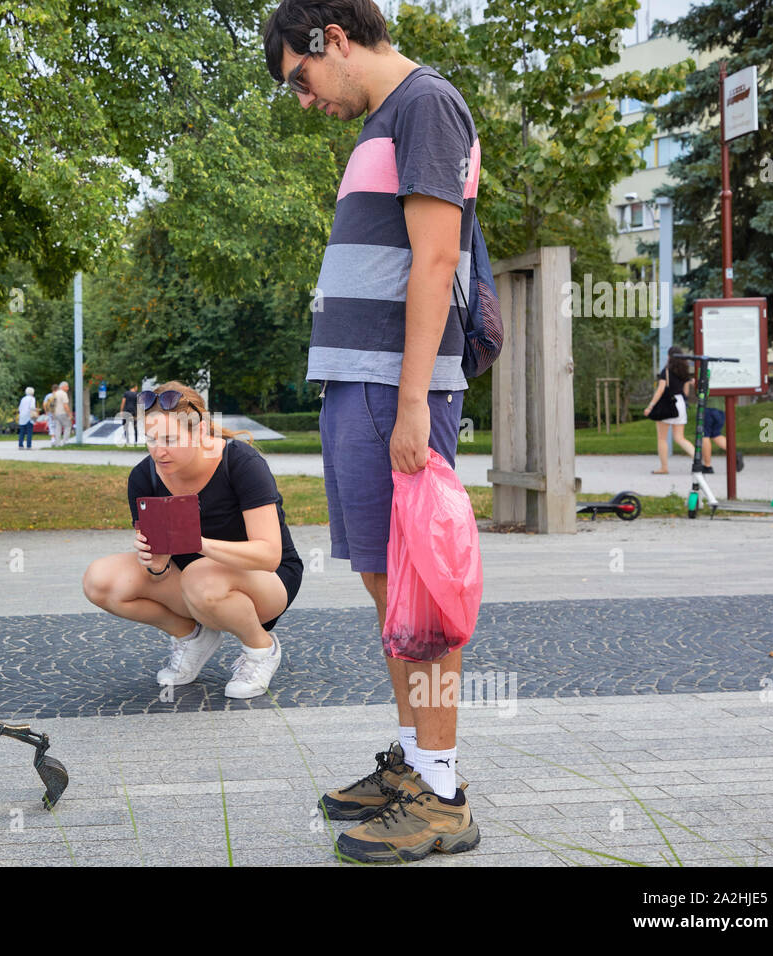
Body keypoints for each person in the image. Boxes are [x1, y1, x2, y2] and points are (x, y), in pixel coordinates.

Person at [264, 0, 482, 863]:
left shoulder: (427, 104)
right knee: (391, 594)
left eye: (302, 78)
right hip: (360, 386)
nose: (307, 98)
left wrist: (416, 399)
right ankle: (415, 766)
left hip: (396, 391)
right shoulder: (387, 121)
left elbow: (437, 258)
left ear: (336, 40)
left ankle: (443, 794)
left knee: (422, 600)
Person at [82, 382, 303, 699]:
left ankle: (260, 648)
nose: (159, 450)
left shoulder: (240, 462)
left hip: (268, 580)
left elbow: (269, 555)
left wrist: (198, 543)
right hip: (191, 582)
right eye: (151, 439)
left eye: (170, 439)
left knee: (201, 576)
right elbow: (160, 565)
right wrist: (156, 565)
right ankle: (191, 637)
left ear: (200, 434)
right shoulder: (144, 477)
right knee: (98, 580)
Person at [644, 347, 696, 474]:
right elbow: (686, 393)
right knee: (680, 438)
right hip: (680, 404)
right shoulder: (684, 372)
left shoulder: (665, 371)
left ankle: (664, 467)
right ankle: (698, 461)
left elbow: (661, 390)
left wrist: (650, 406)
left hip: (667, 404)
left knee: (662, 438)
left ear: (669, 357)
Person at [52, 381, 73, 446]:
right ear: (62, 387)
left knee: (58, 428)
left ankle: (57, 443)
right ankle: (65, 442)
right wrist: (70, 414)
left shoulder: (55, 394)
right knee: (68, 426)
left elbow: (52, 405)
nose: (68, 388)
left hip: (56, 413)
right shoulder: (63, 394)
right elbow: (65, 406)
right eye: (67, 387)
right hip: (62, 413)